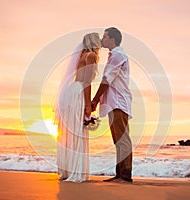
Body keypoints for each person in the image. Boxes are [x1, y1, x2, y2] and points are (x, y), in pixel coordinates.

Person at [56, 33, 101, 182]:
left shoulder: (81, 56)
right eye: (98, 39)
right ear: (93, 42)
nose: (100, 42)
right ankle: (76, 171)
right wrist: (88, 105)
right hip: (79, 93)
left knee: (71, 133)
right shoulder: (91, 56)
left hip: (71, 92)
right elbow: (86, 82)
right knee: (78, 132)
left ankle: (68, 170)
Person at [92, 27, 133, 183]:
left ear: (113, 39)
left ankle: (125, 176)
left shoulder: (118, 55)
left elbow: (107, 79)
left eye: (105, 36)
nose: (103, 39)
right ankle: (119, 174)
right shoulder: (114, 55)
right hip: (113, 103)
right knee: (117, 140)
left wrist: (95, 100)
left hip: (118, 102)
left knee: (122, 139)